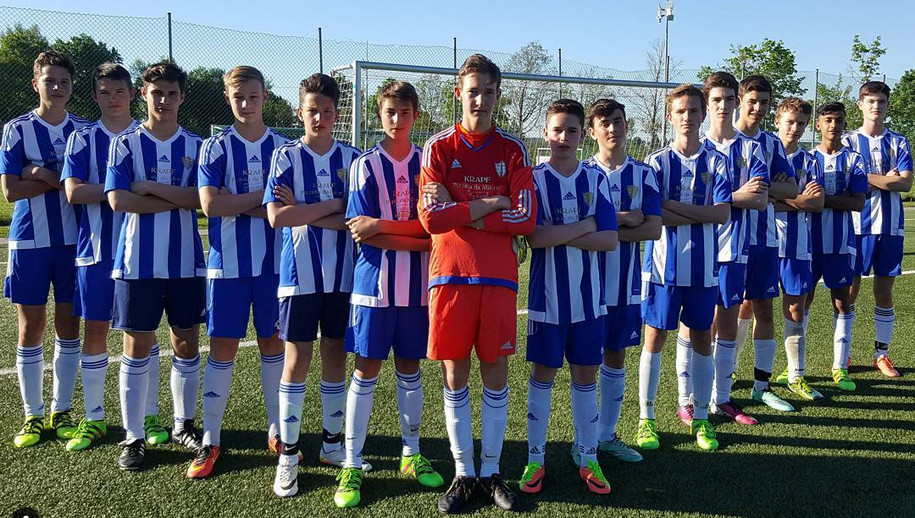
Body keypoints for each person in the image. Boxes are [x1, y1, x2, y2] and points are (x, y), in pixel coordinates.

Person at [419, 53, 536, 513]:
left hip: (499, 279)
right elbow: (431, 218)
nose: (480, 100)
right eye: (473, 91)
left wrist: (461, 203)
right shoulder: (438, 147)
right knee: (454, 375)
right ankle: (463, 472)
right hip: (450, 275)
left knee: (495, 373)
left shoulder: (513, 149)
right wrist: (492, 201)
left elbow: (526, 217)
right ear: (458, 94)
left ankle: (491, 472)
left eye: (489, 92)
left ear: (498, 95)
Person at [332, 80, 443, 508]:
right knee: (366, 370)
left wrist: (382, 225)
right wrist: (413, 238)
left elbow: (433, 231)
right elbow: (361, 233)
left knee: (410, 369)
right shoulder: (365, 165)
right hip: (373, 288)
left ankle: (411, 454)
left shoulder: (428, 165)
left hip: (417, 290)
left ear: (416, 116)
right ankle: (352, 463)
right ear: (379, 115)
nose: (397, 120)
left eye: (405, 112)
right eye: (390, 112)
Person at [105, 62, 207, 471]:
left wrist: (149, 188)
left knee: (186, 344)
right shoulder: (125, 144)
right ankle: (133, 436)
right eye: (156, 92)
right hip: (137, 264)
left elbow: (202, 201)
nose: (164, 100)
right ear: (143, 95)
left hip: (185, 263)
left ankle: (184, 425)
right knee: (136, 347)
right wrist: (177, 197)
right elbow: (118, 200)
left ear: (182, 97)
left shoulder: (197, 145)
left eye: (172, 93)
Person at [264, 73, 361, 498]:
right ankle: (288, 456)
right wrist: (333, 205)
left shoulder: (354, 158)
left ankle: (332, 445)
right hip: (298, 277)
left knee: (335, 352)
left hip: (343, 276)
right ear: (299, 111)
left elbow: (355, 220)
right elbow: (277, 217)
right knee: (296, 359)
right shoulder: (285, 156)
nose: (319, 117)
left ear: (337, 114)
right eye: (311, 110)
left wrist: (304, 209)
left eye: (326, 111)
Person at [189, 65, 288, 478]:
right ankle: (210, 439)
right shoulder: (214, 148)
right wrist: (263, 199)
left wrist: (239, 201)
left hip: (275, 267)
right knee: (223, 347)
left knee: (273, 343)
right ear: (227, 99)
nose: (246, 104)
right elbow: (210, 205)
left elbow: (287, 209)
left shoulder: (284, 149)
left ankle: (278, 431)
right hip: (227, 266)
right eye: (238, 97)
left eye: (253, 96)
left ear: (265, 97)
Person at [519, 99, 618, 496]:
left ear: (582, 135)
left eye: (571, 131)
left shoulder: (596, 179)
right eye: (557, 130)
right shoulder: (533, 179)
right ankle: (535, 459)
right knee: (542, 375)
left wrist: (561, 233)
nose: (563, 137)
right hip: (547, 301)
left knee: (585, 376)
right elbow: (535, 237)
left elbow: (609, 240)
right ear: (546, 133)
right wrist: (585, 225)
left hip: (589, 301)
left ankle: (589, 458)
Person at [637, 84, 731, 452]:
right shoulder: (656, 162)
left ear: (703, 115)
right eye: (680, 111)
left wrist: (673, 207)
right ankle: (646, 419)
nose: (687, 117)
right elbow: (653, 215)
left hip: (704, 268)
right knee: (654, 338)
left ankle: (702, 418)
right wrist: (698, 213)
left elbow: (722, 214)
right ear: (670, 117)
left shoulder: (717, 161)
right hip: (663, 268)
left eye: (693, 110)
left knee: (703, 339)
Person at [2, 50, 88, 448]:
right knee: (30, 327)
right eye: (49, 80)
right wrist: (59, 180)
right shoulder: (17, 129)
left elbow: (84, 185)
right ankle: (33, 414)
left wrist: (38, 172)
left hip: (74, 241)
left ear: (72, 87)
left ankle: (61, 409)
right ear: (35, 84)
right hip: (30, 241)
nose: (56, 87)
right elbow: (10, 191)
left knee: (68, 326)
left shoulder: (83, 130)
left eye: (64, 81)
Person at [576, 98, 661, 463]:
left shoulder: (644, 173)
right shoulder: (580, 173)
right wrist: (623, 218)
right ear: (591, 131)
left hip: (625, 285)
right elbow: (574, 227)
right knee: (585, 362)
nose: (612, 128)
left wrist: (604, 229)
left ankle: (607, 435)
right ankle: (583, 441)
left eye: (618, 121)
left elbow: (654, 229)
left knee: (616, 356)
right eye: (604, 123)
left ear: (627, 125)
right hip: (584, 286)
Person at [60, 62, 140, 451]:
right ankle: (93, 418)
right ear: (94, 96)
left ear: (132, 94)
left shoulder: (145, 136)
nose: (112, 99)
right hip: (95, 249)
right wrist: (122, 190)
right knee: (94, 331)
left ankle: (146, 416)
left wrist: (117, 191)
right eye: (104, 92)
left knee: (139, 334)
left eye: (119, 91)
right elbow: (73, 192)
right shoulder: (82, 138)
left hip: (140, 249)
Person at [689, 71, 768, 427]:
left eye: (729, 99)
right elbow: (692, 201)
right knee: (696, 325)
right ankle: (690, 398)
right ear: (707, 104)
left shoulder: (751, 148)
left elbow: (761, 199)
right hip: (699, 249)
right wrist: (735, 196)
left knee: (727, 325)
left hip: (735, 248)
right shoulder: (695, 148)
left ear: (737, 101)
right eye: (716, 99)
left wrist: (718, 200)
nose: (723, 105)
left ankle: (721, 398)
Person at [731, 75, 799, 414]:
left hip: (765, 240)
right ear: (740, 101)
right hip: (728, 240)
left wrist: (761, 188)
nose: (758, 108)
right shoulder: (723, 141)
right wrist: (762, 189)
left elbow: (793, 188)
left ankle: (762, 387)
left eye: (764, 103)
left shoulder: (771, 143)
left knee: (764, 311)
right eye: (752, 101)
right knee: (724, 312)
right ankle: (721, 377)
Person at [842, 81, 912, 378]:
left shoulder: (899, 141)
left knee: (884, 292)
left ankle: (881, 354)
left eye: (881, 101)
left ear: (887, 105)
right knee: (848, 291)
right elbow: (847, 181)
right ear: (860, 104)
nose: (876, 106)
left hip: (890, 227)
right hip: (856, 227)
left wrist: (867, 178)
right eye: (870, 101)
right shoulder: (847, 141)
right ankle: (842, 354)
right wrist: (885, 179)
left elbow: (905, 183)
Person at [807, 102, 867, 391]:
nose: (833, 125)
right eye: (828, 120)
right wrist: (836, 199)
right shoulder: (807, 159)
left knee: (842, 301)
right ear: (818, 124)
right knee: (801, 301)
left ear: (845, 124)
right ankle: (795, 368)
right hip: (808, 243)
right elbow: (800, 196)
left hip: (841, 243)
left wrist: (821, 200)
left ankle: (840, 366)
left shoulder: (854, 159)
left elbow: (858, 202)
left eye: (839, 120)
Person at [771, 97, 825, 400]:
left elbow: (817, 203)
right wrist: (798, 198)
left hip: (797, 245)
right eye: (790, 122)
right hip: (763, 241)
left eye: (801, 123)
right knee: (748, 306)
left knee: (795, 308)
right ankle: (733, 369)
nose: (795, 128)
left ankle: (796, 375)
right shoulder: (764, 153)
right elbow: (759, 197)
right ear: (777, 121)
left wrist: (780, 199)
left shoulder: (810, 160)